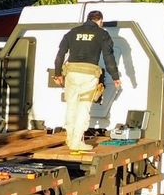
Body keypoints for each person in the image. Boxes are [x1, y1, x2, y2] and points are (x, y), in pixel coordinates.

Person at [51, 10, 122, 152]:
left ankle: (70, 138)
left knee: (71, 106)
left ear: (88, 19)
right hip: (88, 76)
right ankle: (76, 142)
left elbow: (60, 54)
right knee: (83, 107)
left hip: (71, 74)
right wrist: (115, 77)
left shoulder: (72, 32)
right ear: (100, 21)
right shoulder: (102, 34)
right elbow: (109, 58)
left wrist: (58, 73)